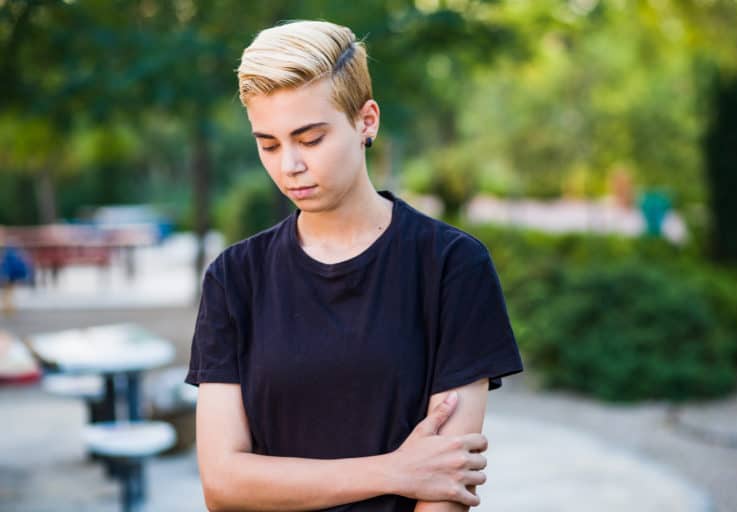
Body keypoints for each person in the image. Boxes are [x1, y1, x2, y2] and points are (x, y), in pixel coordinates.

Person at [184, 20, 524, 512]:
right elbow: (222, 484)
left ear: (367, 120)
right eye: (269, 144)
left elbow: (444, 485)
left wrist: (419, 474)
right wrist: (394, 470)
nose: (289, 166)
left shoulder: (452, 265)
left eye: (311, 138)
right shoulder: (235, 278)